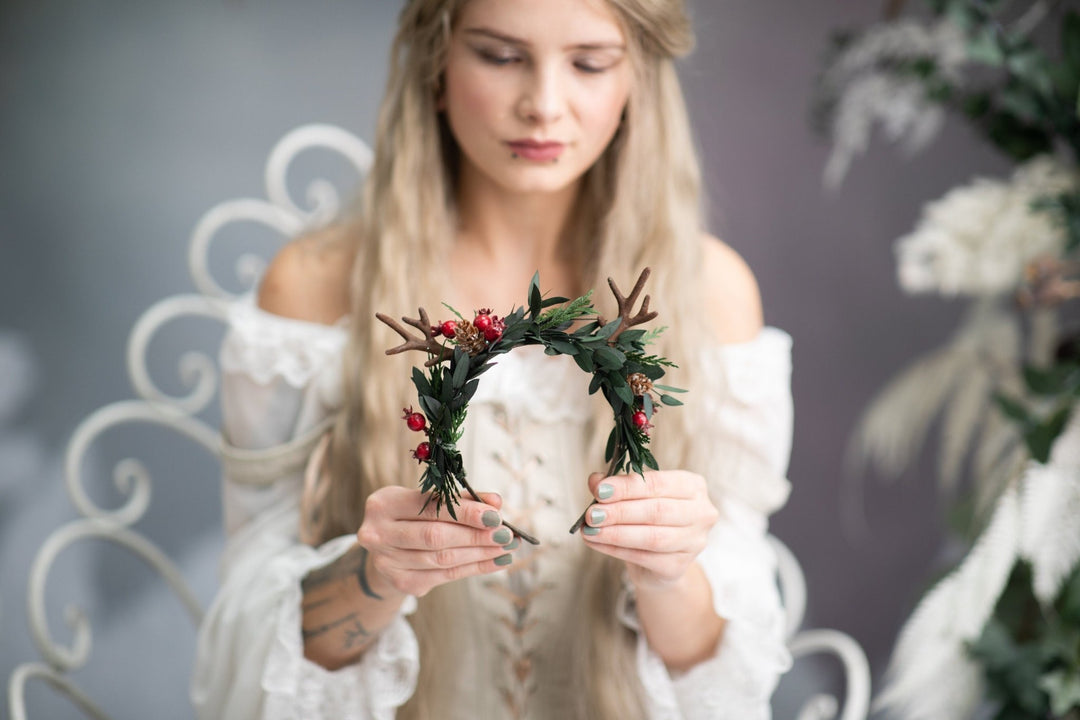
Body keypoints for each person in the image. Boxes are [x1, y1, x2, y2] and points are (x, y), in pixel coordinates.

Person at [191, 0, 795, 718]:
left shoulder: (709, 294)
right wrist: (377, 575)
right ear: (437, 66)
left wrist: (667, 576)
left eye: (589, 63)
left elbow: (730, 685)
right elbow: (246, 646)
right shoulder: (317, 289)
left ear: (637, 78)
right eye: (501, 56)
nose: (543, 105)